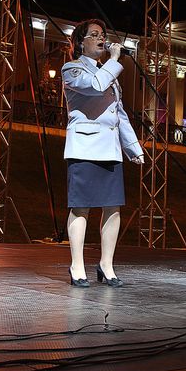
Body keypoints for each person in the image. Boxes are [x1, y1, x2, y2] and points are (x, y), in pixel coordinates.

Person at [61, 19, 144, 287]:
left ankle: (106, 264)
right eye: (94, 35)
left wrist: (133, 148)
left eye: (103, 35)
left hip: (110, 149)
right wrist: (115, 60)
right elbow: (95, 86)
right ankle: (77, 265)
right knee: (81, 207)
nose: (101, 39)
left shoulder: (109, 74)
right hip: (84, 147)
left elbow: (119, 115)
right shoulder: (72, 69)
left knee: (113, 207)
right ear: (80, 42)